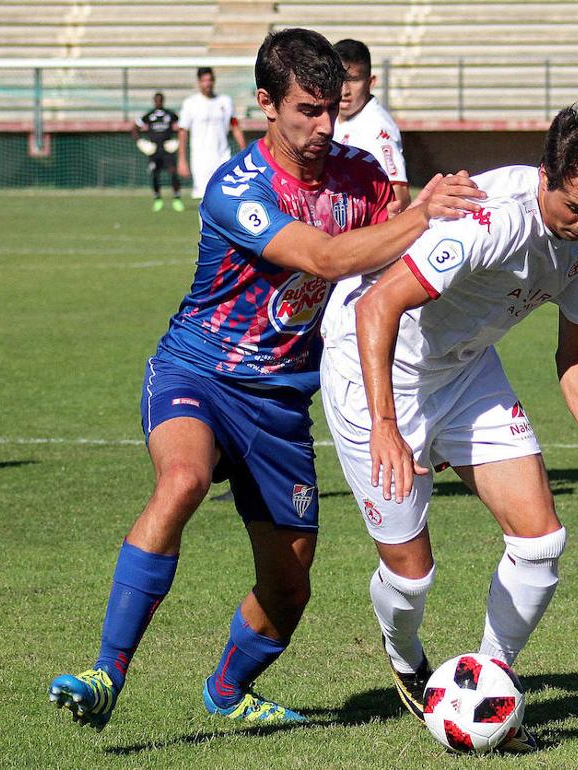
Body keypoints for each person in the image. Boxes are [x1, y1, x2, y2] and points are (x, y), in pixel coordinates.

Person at [47, 27, 483, 731]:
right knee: (182, 480)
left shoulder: (362, 177)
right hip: (198, 370)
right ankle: (106, 672)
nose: (321, 126)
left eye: (331, 110)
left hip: (281, 398)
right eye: (306, 110)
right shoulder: (235, 189)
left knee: (289, 586)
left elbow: (396, 269)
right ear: (265, 104)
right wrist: (419, 215)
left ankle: (228, 689)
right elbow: (328, 257)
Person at [319, 103, 578, 751]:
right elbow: (379, 305)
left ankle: (489, 677)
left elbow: (576, 348)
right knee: (412, 577)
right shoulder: (486, 219)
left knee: (541, 542)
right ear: (548, 173)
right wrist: (387, 425)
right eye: (574, 208)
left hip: (465, 371)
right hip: (377, 368)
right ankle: (405, 653)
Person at [332, 39, 410, 213]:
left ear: (370, 82)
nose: (344, 90)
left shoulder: (376, 127)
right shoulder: (332, 116)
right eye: (339, 80)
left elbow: (399, 196)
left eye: (354, 80)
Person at [178, 67, 247, 199]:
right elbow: (182, 131)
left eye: (210, 80)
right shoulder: (191, 103)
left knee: (227, 196)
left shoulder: (225, 101)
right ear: (199, 82)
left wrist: (244, 149)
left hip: (223, 156)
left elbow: (234, 125)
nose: (207, 83)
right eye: (204, 80)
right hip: (200, 160)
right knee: (205, 198)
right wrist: (182, 160)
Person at [131, 92, 184, 212]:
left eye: (160, 100)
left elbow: (183, 125)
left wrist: (178, 141)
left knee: (173, 172)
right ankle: (157, 199)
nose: (158, 102)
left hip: (167, 149)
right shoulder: (149, 115)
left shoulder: (170, 114)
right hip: (154, 151)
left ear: (163, 101)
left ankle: (177, 199)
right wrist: (140, 142)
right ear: (154, 101)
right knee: (155, 174)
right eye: (156, 100)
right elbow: (134, 128)